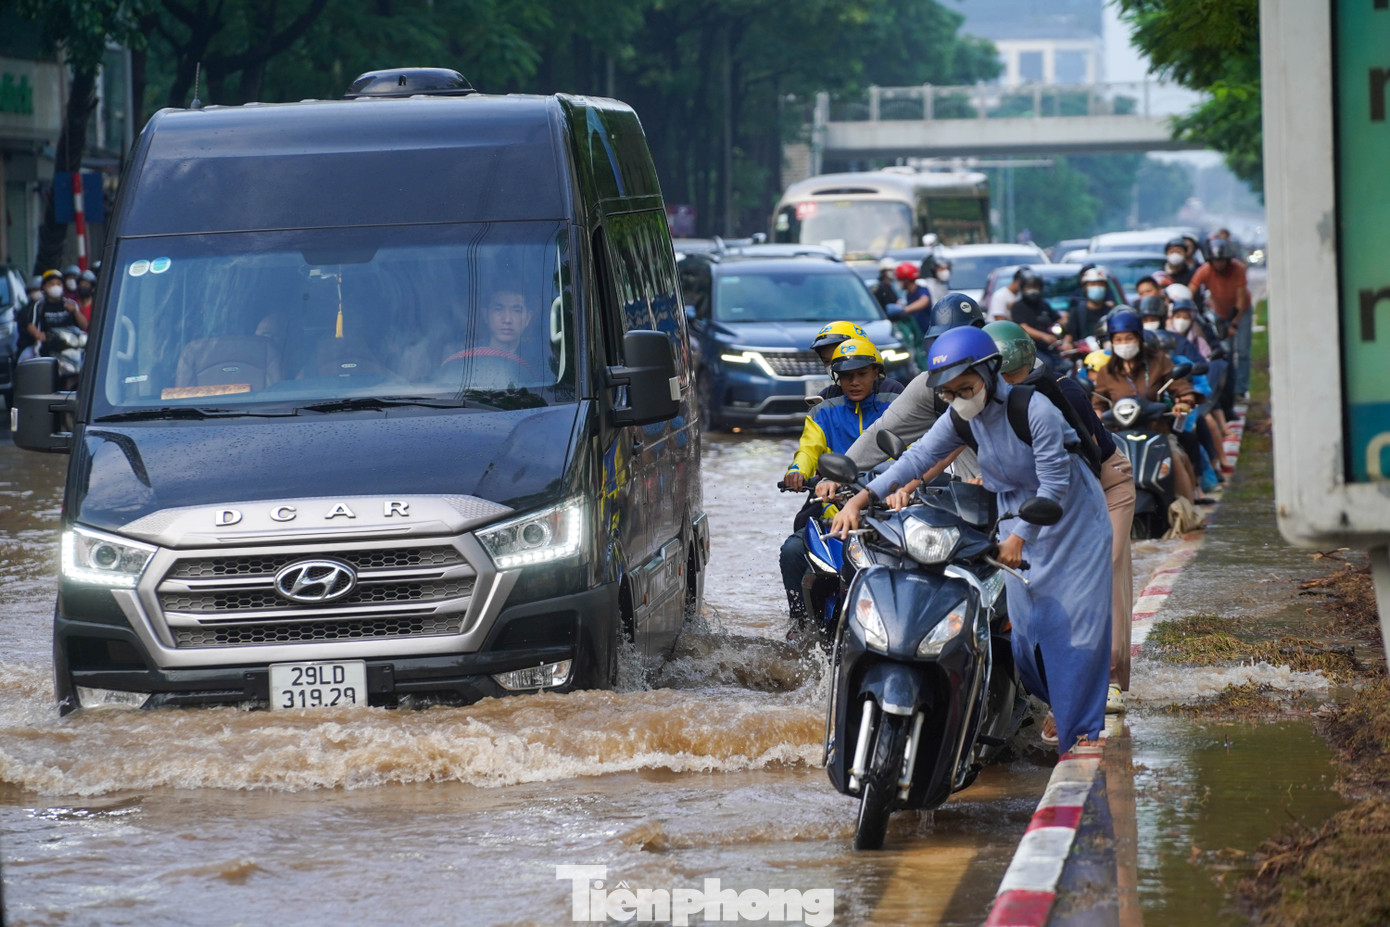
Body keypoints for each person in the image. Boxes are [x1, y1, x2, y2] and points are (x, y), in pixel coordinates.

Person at [830, 326, 1112, 751]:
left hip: (1072, 520)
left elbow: (1055, 483)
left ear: (990, 372)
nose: (958, 398)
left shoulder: (1034, 409)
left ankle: (1082, 738)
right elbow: (918, 457)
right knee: (1026, 642)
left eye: (966, 388)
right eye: (948, 392)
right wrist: (862, 498)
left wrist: (1019, 538)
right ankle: (1062, 708)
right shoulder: (961, 416)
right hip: (1015, 519)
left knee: (1073, 635)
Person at [987, 320, 1135, 710]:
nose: (1002, 384)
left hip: (1103, 486)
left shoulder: (1060, 392)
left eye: (1008, 376)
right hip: (1047, 498)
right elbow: (941, 446)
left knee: (1104, 570)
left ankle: (1108, 679)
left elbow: (1087, 460)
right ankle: (1058, 686)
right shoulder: (986, 401)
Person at [780, 336, 896, 629]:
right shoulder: (823, 412)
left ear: (876, 373)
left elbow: (914, 450)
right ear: (836, 378)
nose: (854, 382)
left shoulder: (895, 408)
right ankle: (801, 624)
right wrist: (796, 471)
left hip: (891, 517)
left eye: (861, 374)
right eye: (846, 376)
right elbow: (809, 450)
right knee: (792, 551)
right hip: (834, 518)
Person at [815, 294, 987, 487]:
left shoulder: (1008, 389)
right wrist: (836, 479)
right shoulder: (929, 387)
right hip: (969, 496)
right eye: (949, 392)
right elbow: (914, 453)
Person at [1089, 309, 1203, 504]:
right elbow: (1098, 400)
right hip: (1118, 436)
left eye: (1129, 338)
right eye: (1118, 339)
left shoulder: (1159, 361)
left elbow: (1180, 386)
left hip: (1156, 432)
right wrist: (1097, 413)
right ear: (1112, 342)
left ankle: (1188, 511)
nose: (1124, 344)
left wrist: (1184, 401)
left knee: (1176, 459)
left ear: (1139, 338)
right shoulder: (1107, 371)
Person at [1189, 238, 1252, 402]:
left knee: (1243, 351)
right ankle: (1228, 389)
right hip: (1219, 311)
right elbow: (1191, 289)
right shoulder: (1205, 270)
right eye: (1216, 261)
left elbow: (1240, 300)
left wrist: (1234, 324)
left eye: (1222, 260)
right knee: (1225, 351)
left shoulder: (1238, 269)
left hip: (1241, 311)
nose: (1219, 264)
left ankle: (1241, 388)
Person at [441, 289, 537, 387]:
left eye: (516, 311)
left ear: (528, 317)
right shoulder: (463, 357)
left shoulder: (539, 363)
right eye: (498, 309)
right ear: (485, 315)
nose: (507, 319)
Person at [807, 321, 904, 402]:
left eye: (841, 359)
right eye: (827, 361)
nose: (833, 367)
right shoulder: (827, 396)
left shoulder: (891, 391)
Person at [18, 270, 87, 362]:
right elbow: (31, 325)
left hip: (71, 351)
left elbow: (84, 325)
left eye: (58, 284)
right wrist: (37, 334)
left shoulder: (71, 304)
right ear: (44, 287)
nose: (55, 286)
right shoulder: (38, 306)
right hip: (45, 352)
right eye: (52, 284)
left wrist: (75, 311)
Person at [1010, 269, 1065, 373]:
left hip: (1050, 347)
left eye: (1035, 287)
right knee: (1046, 365)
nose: (1033, 290)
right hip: (1030, 349)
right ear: (1022, 288)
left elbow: (1059, 320)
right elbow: (1023, 326)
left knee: (1065, 365)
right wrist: (1043, 336)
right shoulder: (1018, 307)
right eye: (1029, 287)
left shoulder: (1043, 305)